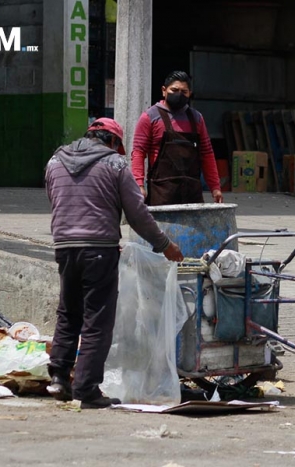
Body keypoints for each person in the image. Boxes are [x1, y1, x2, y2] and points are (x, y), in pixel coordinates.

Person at [44, 117, 184, 409]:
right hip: (99, 249)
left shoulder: (54, 162)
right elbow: (138, 214)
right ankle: (86, 388)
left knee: (69, 312)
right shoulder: (116, 165)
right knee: (98, 318)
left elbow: (56, 201)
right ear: (112, 141)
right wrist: (165, 245)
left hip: (64, 247)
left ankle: (58, 377)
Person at [131, 70, 223, 205]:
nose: (179, 94)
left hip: (192, 191)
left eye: (184, 92)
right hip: (162, 191)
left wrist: (215, 187)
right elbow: (138, 152)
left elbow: (207, 154)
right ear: (164, 90)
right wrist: (138, 184)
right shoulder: (149, 117)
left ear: (189, 94)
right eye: (174, 90)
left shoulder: (197, 118)